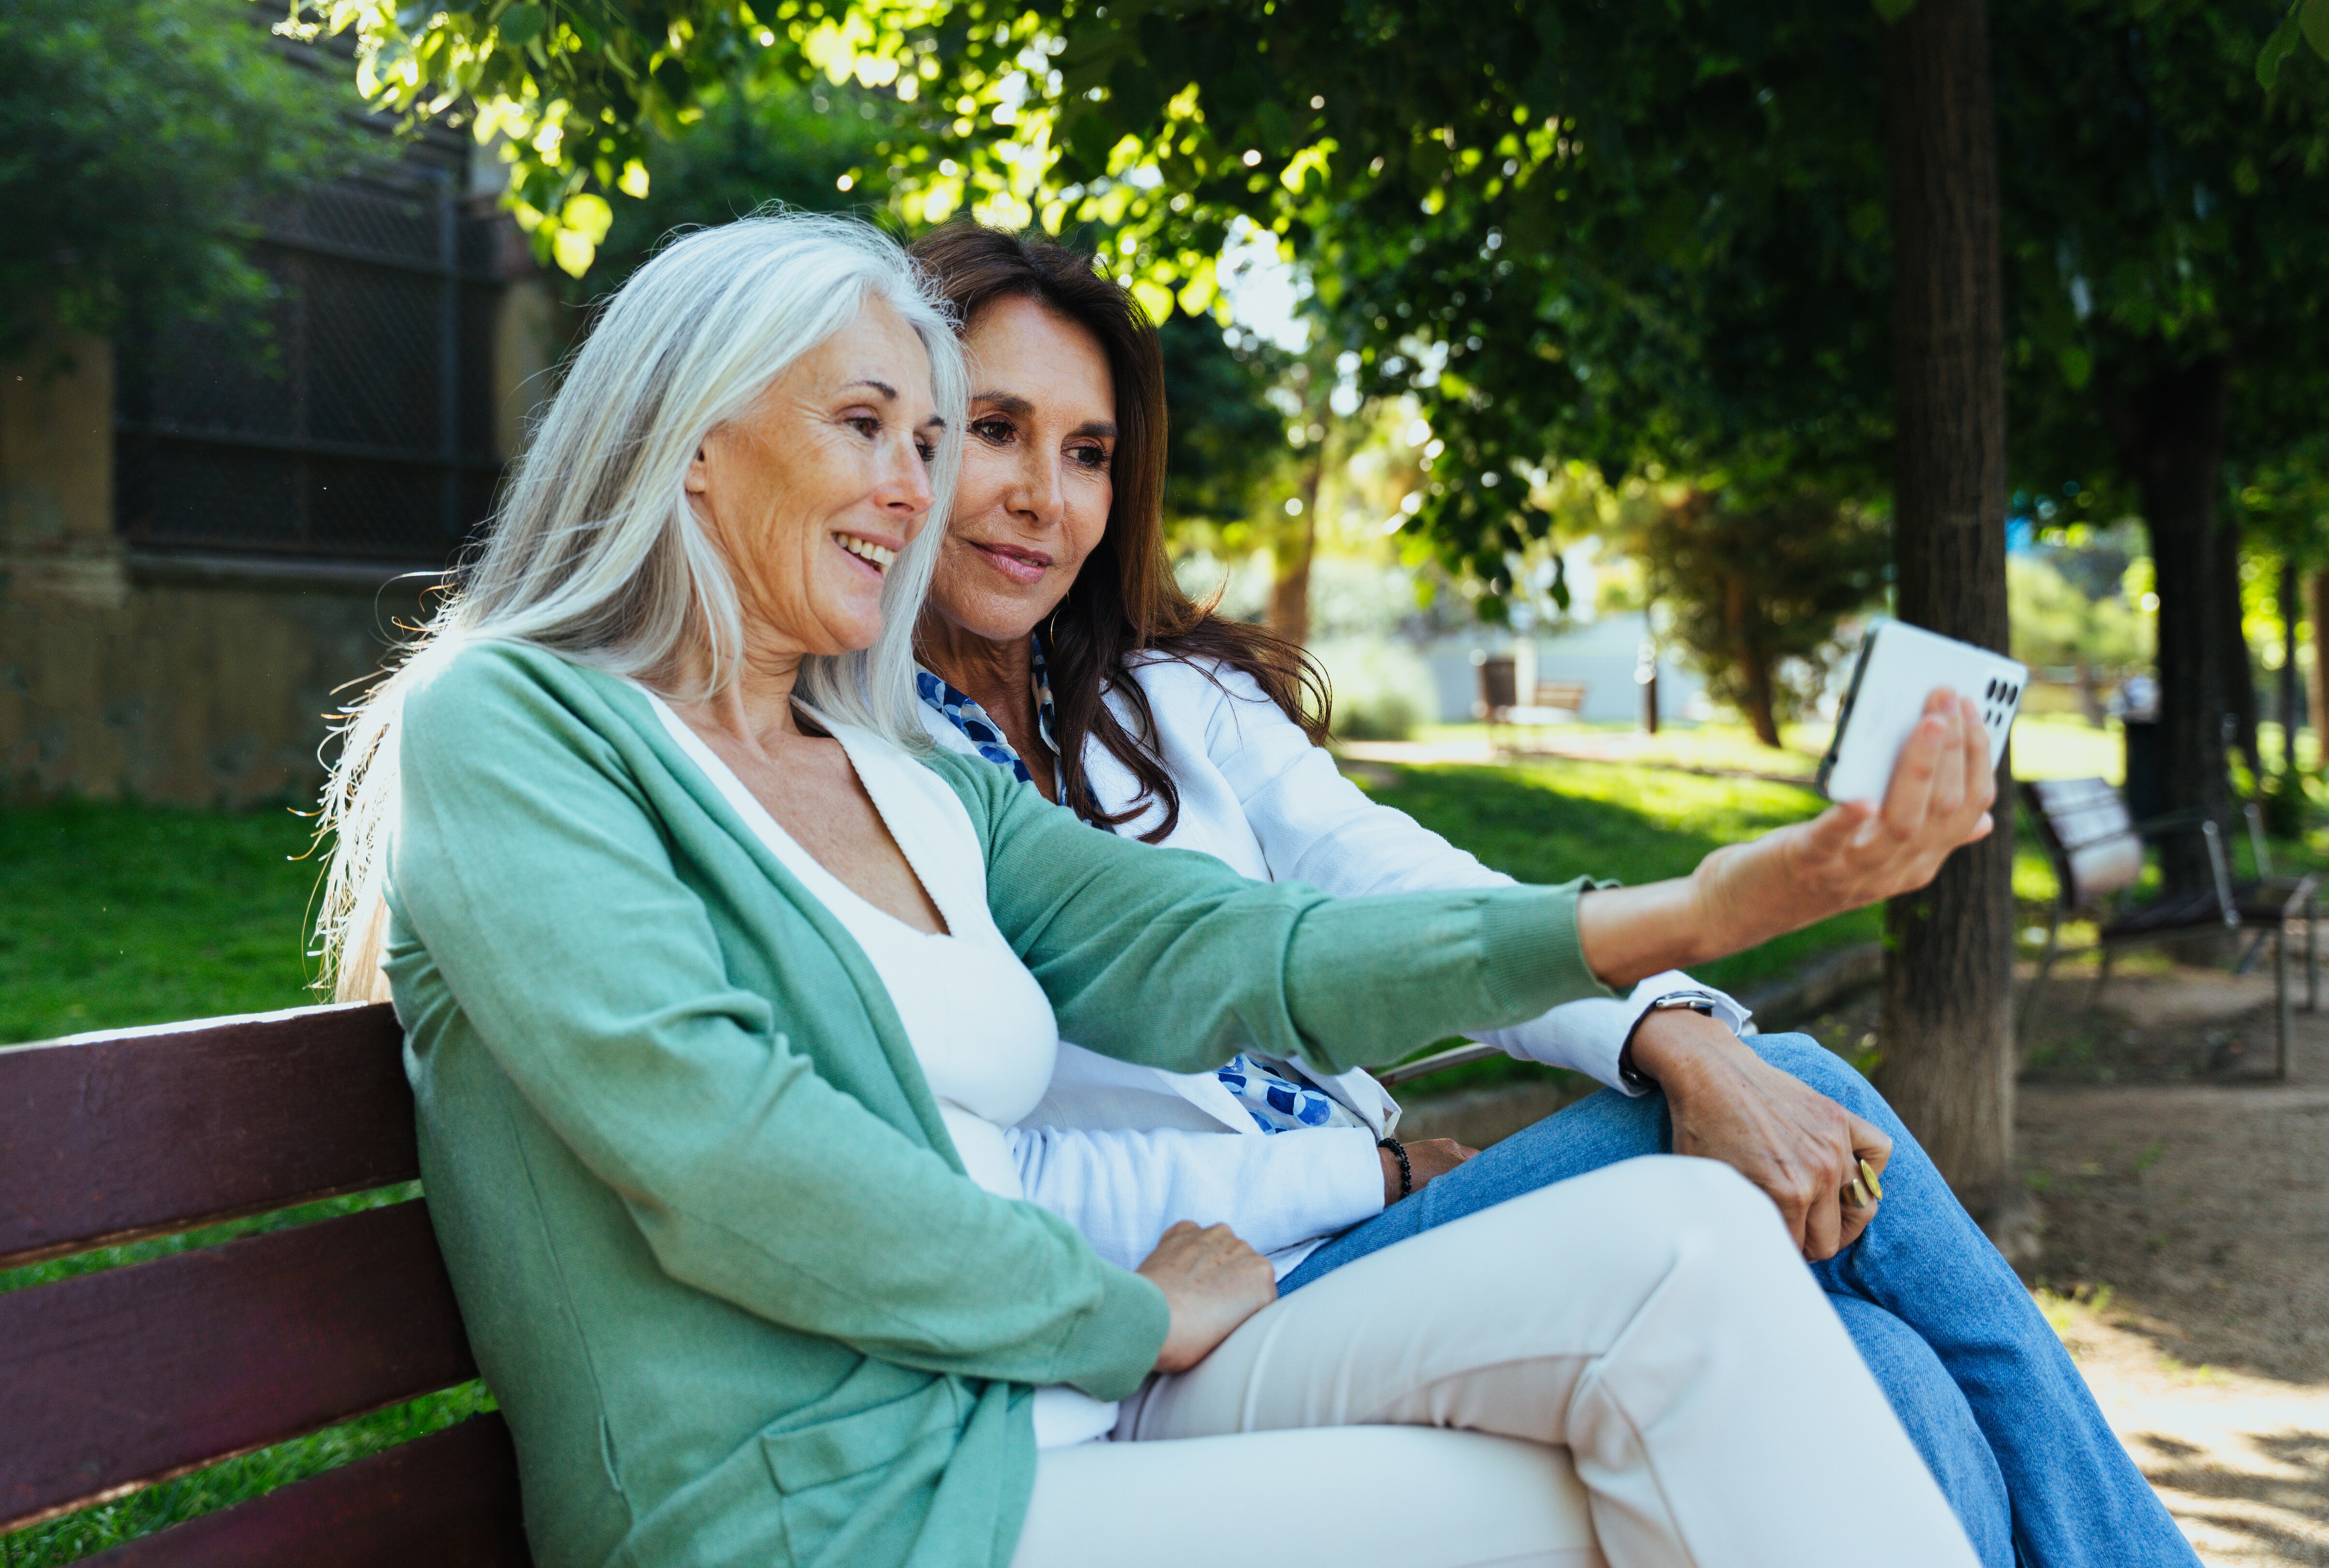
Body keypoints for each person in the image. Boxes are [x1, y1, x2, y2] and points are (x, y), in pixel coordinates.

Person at [315, 212, 1995, 1568]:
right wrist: (1115, 1313)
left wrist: (1698, 912)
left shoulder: (896, 764)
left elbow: (1238, 953)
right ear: (691, 444)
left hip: (1065, 1415)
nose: (913, 491)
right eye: (866, 430)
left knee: (1686, 1257)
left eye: (923, 437)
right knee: (1611, 1498)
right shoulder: (521, 726)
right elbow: (731, 1157)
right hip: (843, 1511)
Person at [905, 222, 2204, 1568]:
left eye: (1089, 452)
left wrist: (1671, 1033)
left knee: (1886, 1358)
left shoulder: (1172, 698)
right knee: (1825, 1087)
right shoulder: (874, 778)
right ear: (904, 441)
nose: (1044, 497)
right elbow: (1002, 1183)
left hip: (1385, 1233)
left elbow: (1409, 888)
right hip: (1213, 1301)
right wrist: (1374, 1166)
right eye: (997, 429)